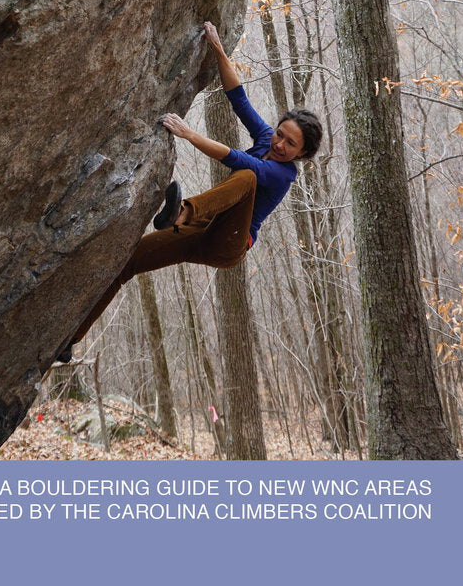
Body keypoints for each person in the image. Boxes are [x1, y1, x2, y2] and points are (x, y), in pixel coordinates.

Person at [56, 21, 322, 362]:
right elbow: (239, 99)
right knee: (128, 262)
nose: (280, 143)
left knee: (248, 177)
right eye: (280, 134)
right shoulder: (266, 140)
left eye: (290, 143)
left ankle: (181, 212)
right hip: (201, 233)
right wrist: (218, 49)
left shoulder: (282, 174)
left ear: (301, 153)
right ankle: (69, 341)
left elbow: (240, 160)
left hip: (230, 244)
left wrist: (189, 134)